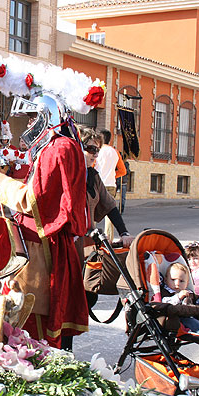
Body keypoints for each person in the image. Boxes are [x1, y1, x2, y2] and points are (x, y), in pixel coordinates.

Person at [0, 93, 88, 349]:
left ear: (47, 117)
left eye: (34, 118)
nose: (30, 125)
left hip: (43, 248)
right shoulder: (58, 147)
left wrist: (2, 182)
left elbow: (36, 201)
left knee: (32, 320)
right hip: (41, 243)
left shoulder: (58, 149)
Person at [77, 127, 134, 313]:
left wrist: (123, 232)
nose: (95, 154)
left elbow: (110, 206)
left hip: (87, 242)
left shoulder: (93, 177)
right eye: (91, 149)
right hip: (69, 242)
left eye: (97, 150)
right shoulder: (69, 174)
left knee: (88, 292)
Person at [94, 129, 126, 240]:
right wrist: (112, 175)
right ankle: (110, 239)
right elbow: (123, 171)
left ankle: (91, 238)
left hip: (97, 184)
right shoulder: (115, 151)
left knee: (92, 210)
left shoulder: (96, 151)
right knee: (111, 213)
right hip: (111, 184)